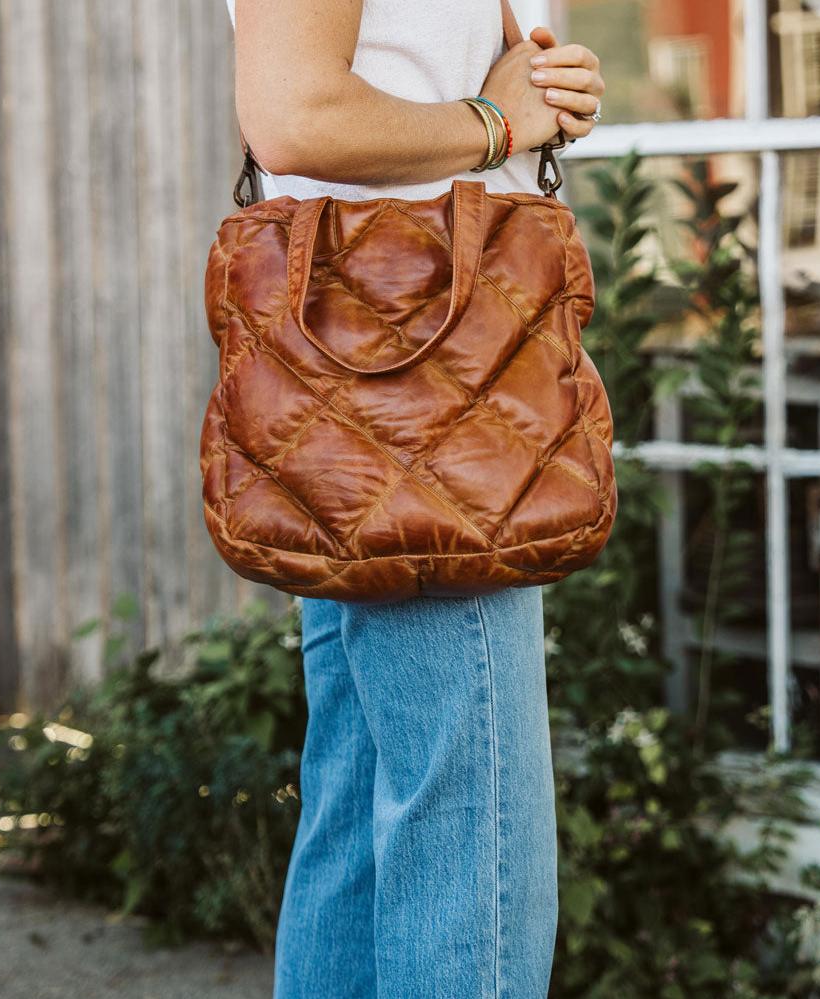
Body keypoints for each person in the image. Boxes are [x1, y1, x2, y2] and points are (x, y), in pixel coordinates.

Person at [225, 2, 605, 996]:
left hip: (388, 375)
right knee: (473, 848)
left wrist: (540, 98)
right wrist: (496, 123)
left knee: (358, 822)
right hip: (422, 383)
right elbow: (294, 113)